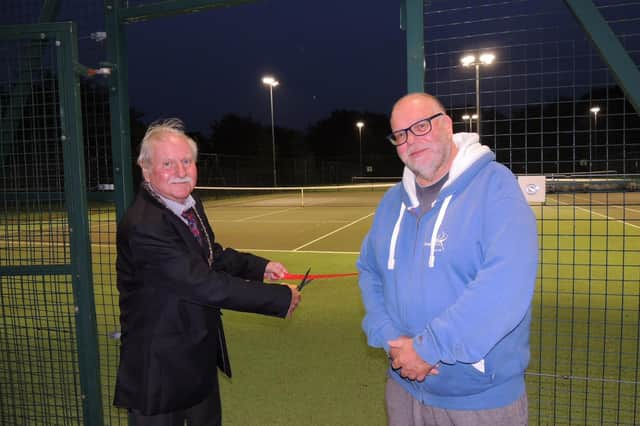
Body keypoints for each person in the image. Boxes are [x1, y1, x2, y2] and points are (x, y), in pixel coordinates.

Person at [357, 93, 538, 425]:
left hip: (480, 402)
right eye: (401, 135)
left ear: (447, 125)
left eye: (421, 127)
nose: (412, 141)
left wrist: (429, 348)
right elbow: (369, 270)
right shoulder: (391, 202)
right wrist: (386, 332)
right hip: (403, 391)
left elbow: (505, 285)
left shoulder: (495, 187)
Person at [114, 118, 301, 425]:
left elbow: (210, 255)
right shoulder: (145, 225)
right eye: (168, 163)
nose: (180, 171)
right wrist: (278, 298)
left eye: (186, 161)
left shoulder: (189, 204)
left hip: (196, 360)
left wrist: (259, 267)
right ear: (146, 170)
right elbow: (203, 283)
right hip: (159, 371)